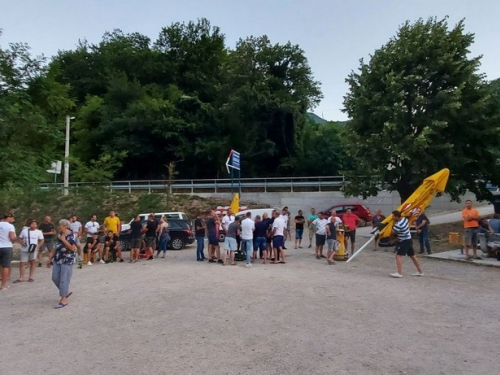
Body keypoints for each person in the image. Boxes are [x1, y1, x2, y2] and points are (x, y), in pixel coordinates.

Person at [47, 219, 77, 308]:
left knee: (64, 279)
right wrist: (49, 259)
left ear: (66, 226)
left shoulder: (72, 235)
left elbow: (73, 248)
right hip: (58, 259)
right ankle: (65, 291)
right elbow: (55, 247)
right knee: (55, 277)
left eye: (61, 225)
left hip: (67, 259)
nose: (59, 227)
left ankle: (63, 299)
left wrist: (64, 240)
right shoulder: (59, 235)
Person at [390, 210, 424, 278]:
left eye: (393, 216)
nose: (392, 217)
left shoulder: (398, 225)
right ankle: (420, 271)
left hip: (404, 241)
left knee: (398, 255)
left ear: (396, 216)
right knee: (412, 256)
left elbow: (392, 233)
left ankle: (399, 273)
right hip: (409, 239)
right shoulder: (404, 219)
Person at [0, 213, 16, 290]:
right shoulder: (10, 226)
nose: (13, 220)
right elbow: (12, 237)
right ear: (9, 217)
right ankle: (3, 285)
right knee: (5, 266)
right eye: (13, 218)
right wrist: (14, 239)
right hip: (6, 246)